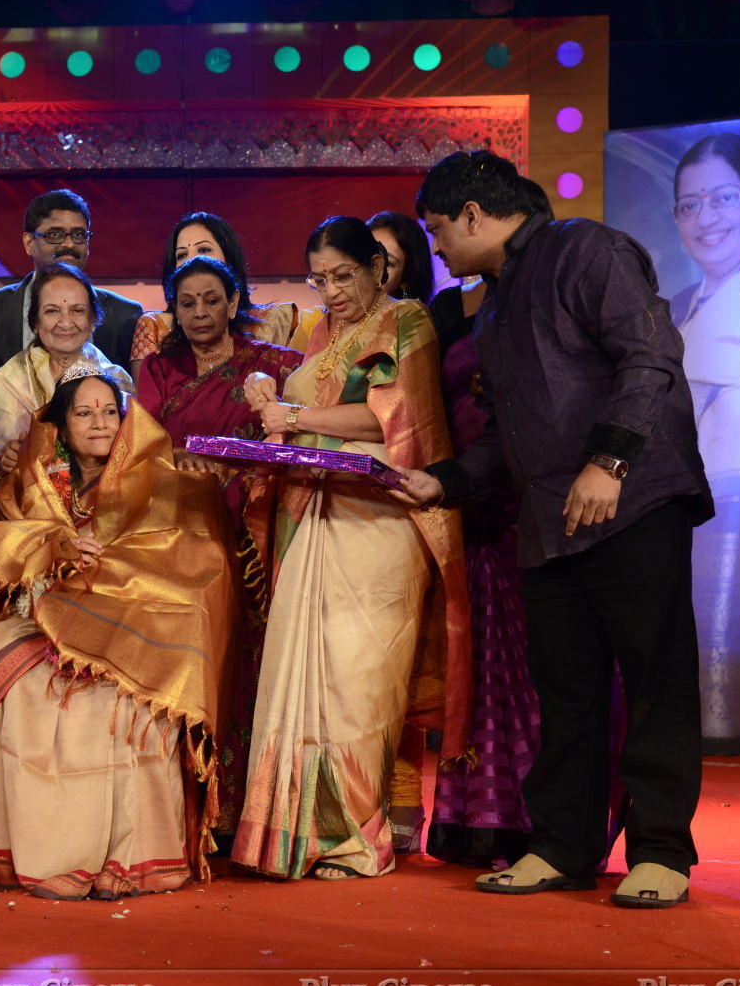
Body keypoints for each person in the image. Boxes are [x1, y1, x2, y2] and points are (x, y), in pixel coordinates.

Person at [402, 151, 712, 909]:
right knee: (564, 695)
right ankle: (562, 847)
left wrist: (609, 462)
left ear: (475, 215)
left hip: (635, 505)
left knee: (654, 684)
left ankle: (662, 851)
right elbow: (503, 432)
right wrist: (444, 481)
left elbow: (651, 359)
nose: (437, 249)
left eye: (439, 230)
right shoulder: (497, 301)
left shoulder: (588, 249)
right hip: (547, 523)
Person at [233, 216, 469, 881]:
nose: (332, 291)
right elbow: (301, 417)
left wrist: (294, 417)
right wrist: (270, 401)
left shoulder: (407, 322)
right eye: (320, 279)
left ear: (377, 268)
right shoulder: (320, 332)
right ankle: (295, 832)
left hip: (380, 521)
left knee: (360, 684)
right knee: (306, 672)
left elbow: (398, 420)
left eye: (343, 276)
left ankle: (356, 836)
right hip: (315, 510)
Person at [0, 365, 237, 898]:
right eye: (84, 413)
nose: (100, 423)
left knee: (127, 696)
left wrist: (116, 579)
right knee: (33, 693)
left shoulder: (163, 480)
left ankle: (128, 860)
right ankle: (58, 858)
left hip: (132, 623)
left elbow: (192, 563)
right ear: (60, 425)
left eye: (111, 411)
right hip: (39, 618)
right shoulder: (36, 478)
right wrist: (52, 546)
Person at [135, 255, 302, 835]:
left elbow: (293, 433)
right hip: (181, 527)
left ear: (234, 303)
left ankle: (248, 813)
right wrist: (186, 465)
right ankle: (187, 809)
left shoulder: (275, 365)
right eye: (187, 303)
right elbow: (146, 446)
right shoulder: (158, 369)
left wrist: (241, 472)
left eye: (212, 300)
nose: (201, 312)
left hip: (257, 526)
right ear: (173, 310)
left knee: (258, 660)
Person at [423, 182, 553, 866]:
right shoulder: (450, 309)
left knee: (540, 667)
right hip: (471, 499)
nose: (436, 248)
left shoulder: (542, 289)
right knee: (477, 664)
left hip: (538, 501)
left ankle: (547, 823)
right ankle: (479, 818)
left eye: (439, 229)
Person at [669, 134, 740, 740]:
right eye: (689, 205)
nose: (705, 218)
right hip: (690, 488)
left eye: (723, 198)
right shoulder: (680, 305)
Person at [0, 188, 142, 394]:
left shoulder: (125, 314)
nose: (69, 244)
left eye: (78, 234)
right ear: (29, 243)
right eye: (55, 235)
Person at [0, 263, 133, 478]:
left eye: (77, 310)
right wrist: (1, 464)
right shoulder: (8, 382)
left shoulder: (118, 380)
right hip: (30, 507)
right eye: (52, 311)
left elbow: (137, 456)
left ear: (93, 320)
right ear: (35, 323)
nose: (66, 323)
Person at [129, 211, 298, 367]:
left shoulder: (272, 322)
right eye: (182, 255)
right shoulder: (155, 326)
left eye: (204, 250)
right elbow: (144, 398)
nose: (193, 261)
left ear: (229, 258)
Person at [367, 210, 435, 304]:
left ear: (405, 281)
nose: (372, 267)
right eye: (367, 254)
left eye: (388, 263)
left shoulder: (412, 317)